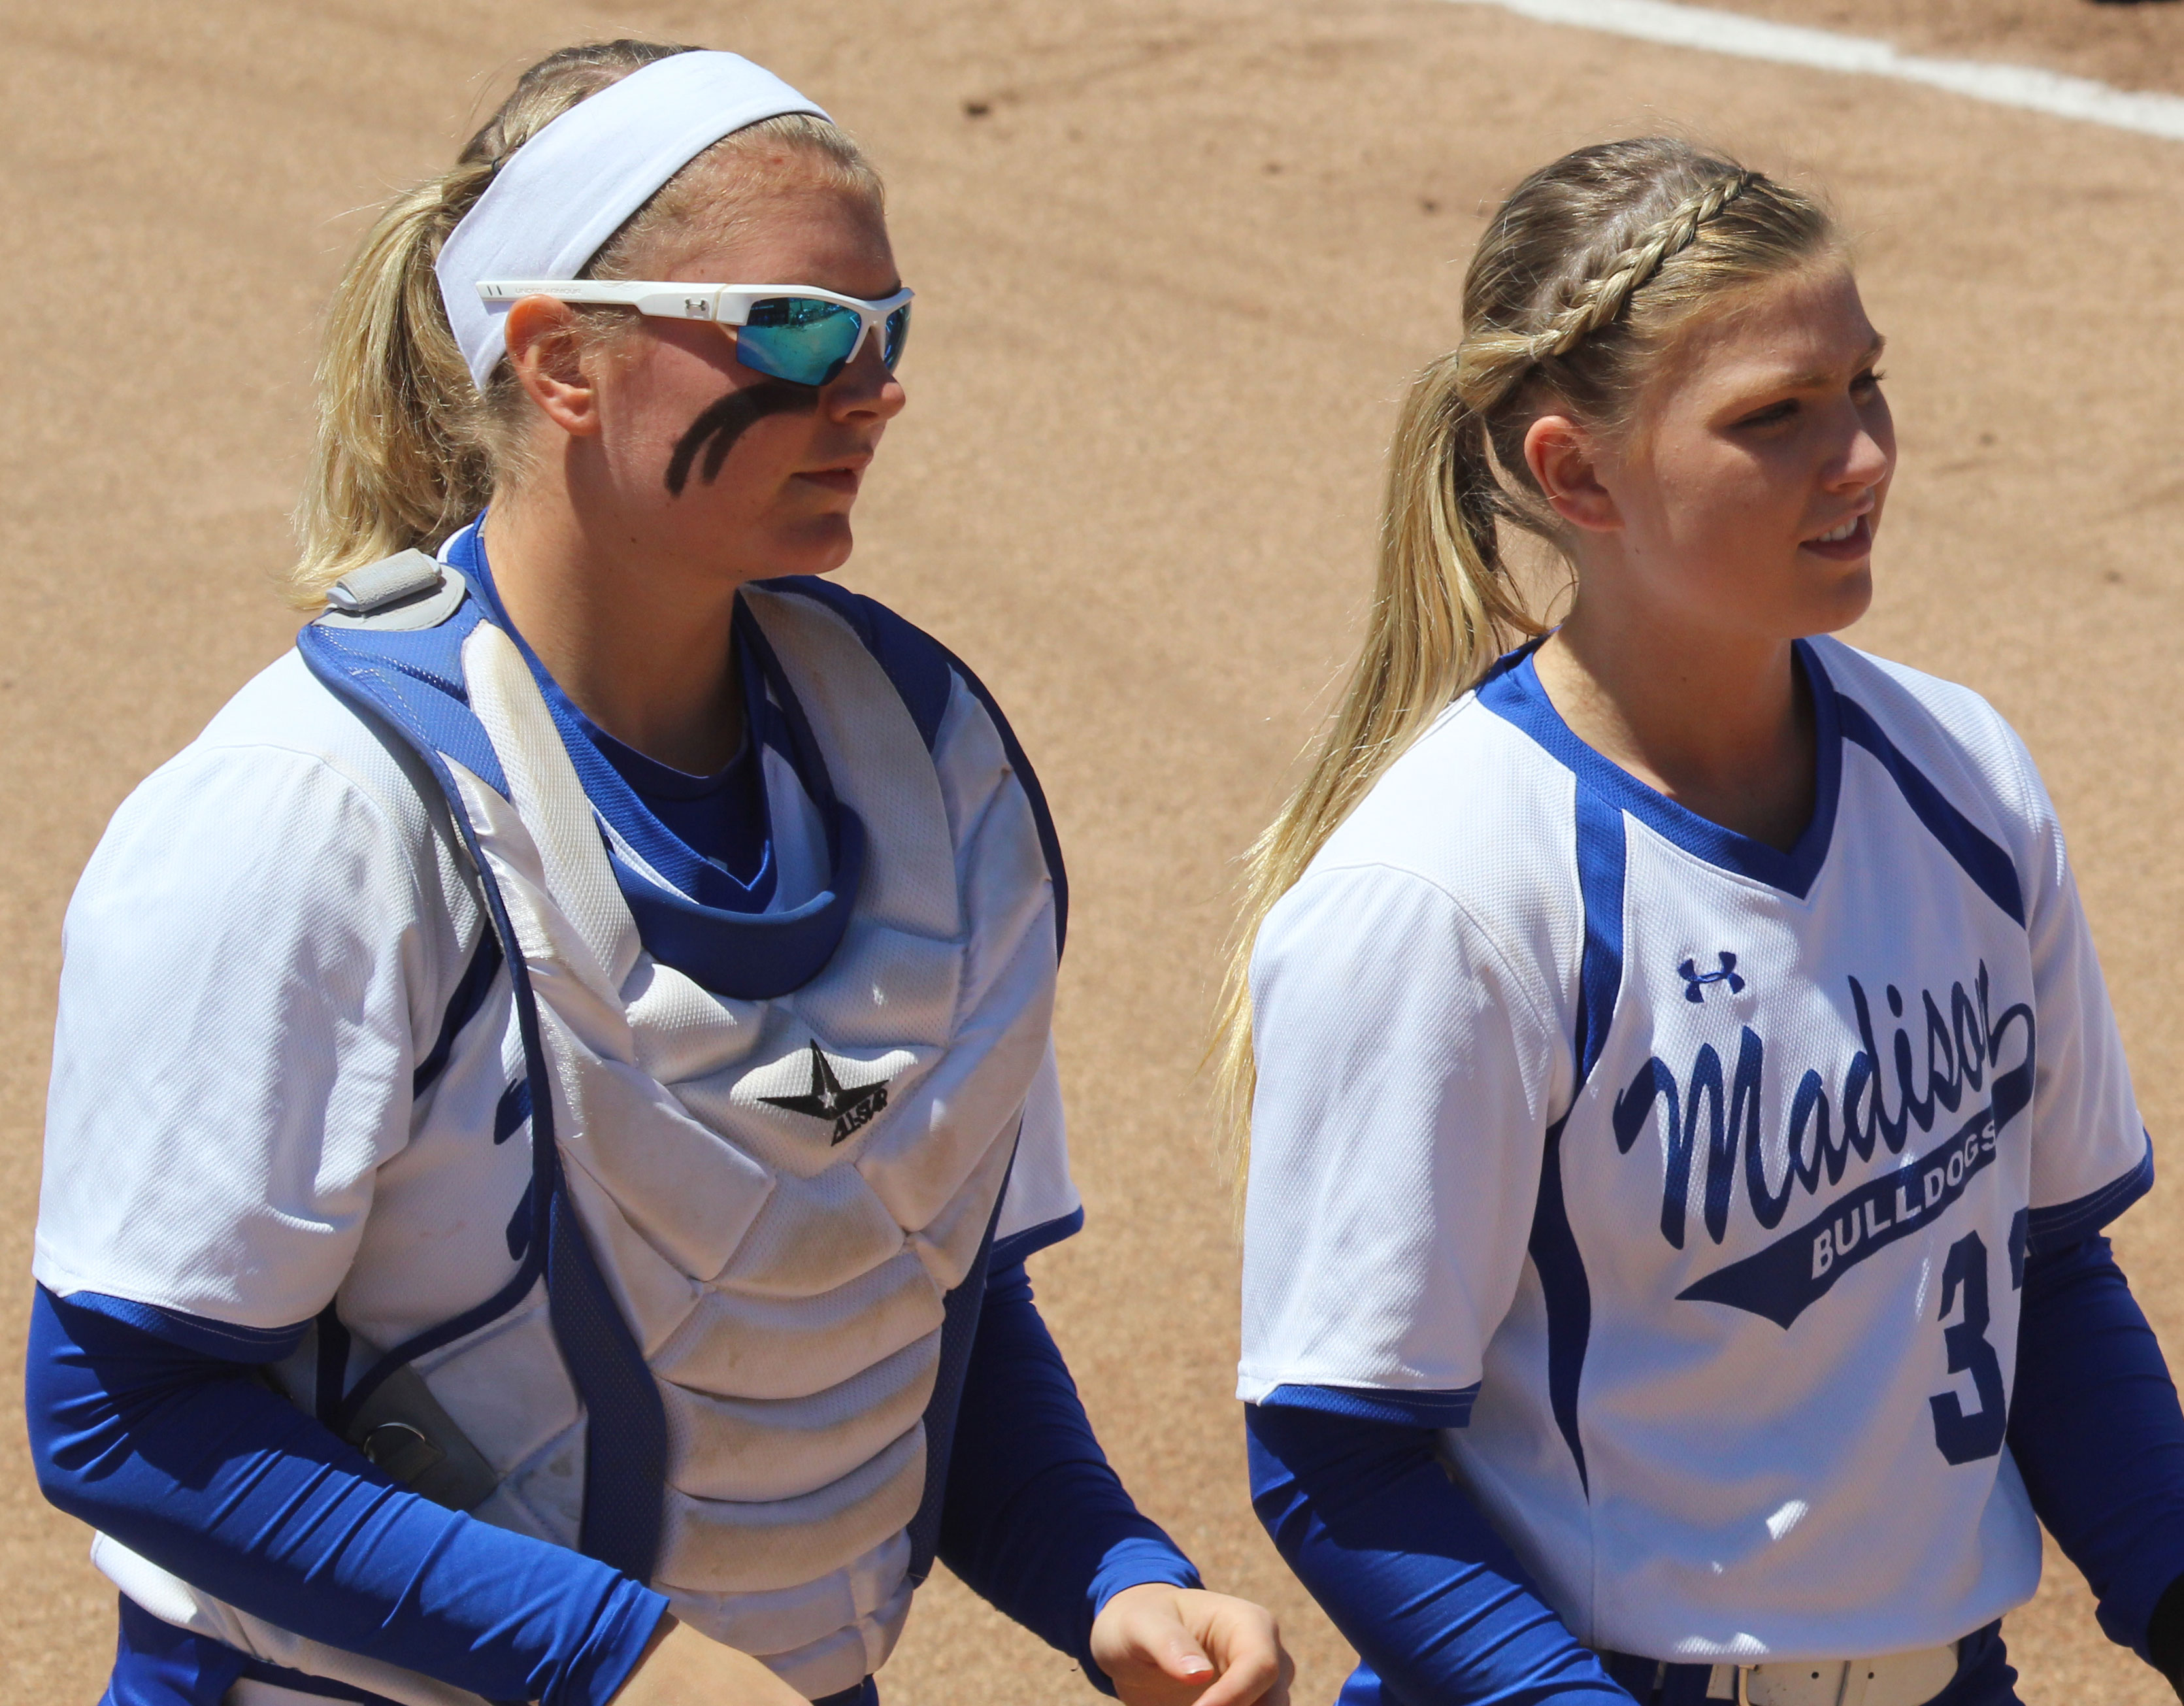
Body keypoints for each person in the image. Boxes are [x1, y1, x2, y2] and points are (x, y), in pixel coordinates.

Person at [27, 40, 1291, 1706]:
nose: (872, 388)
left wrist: (1105, 1571)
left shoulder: (929, 770)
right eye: (797, 328)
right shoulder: (315, 815)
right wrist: (619, 1662)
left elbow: (906, 1284)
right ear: (561, 360)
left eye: (888, 329)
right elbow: (124, 1411)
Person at [1219, 137, 2184, 1705]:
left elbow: (2049, 1271)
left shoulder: (1963, 777)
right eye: (1775, 417)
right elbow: (1337, 1454)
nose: (1860, 456)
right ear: (1576, 477)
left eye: (1864, 386)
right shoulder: (1447, 899)